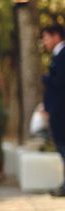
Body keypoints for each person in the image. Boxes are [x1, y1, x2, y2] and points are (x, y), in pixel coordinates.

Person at [41, 24, 65, 197]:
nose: (44, 42)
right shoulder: (57, 55)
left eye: (46, 37)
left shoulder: (62, 56)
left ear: (56, 36)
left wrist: (46, 78)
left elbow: (59, 84)